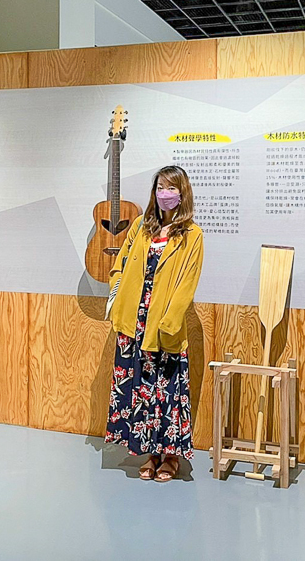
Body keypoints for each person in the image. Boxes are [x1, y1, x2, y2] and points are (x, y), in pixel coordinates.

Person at [104, 165, 204, 482]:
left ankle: (171, 458)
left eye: (171, 188)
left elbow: (187, 283)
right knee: (139, 390)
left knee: (168, 393)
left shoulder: (192, 235)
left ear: (182, 193)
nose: (164, 193)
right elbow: (120, 265)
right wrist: (117, 293)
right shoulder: (140, 227)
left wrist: (170, 323)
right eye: (160, 186)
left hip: (164, 328)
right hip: (133, 324)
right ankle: (150, 454)